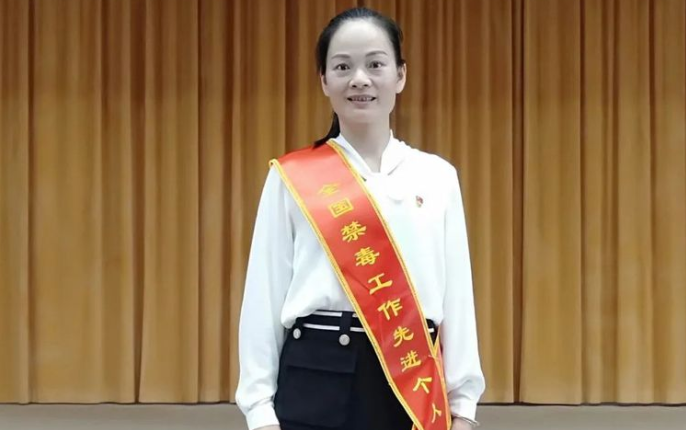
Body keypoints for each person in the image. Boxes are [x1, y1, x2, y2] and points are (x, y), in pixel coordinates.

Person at [236, 7, 485, 430]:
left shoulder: (437, 176)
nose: (359, 79)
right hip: (314, 376)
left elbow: (457, 296)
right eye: (342, 67)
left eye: (375, 64)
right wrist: (260, 411)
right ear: (324, 81)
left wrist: (463, 407)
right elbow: (265, 292)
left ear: (400, 75)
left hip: (409, 380)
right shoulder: (292, 178)